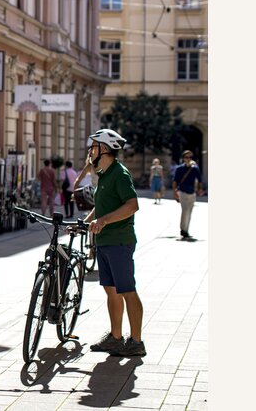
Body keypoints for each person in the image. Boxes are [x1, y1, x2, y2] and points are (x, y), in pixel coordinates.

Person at [83, 129, 145, 357]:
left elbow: (132, 205)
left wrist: (104, 220)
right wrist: (85, 221)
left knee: (127, 290)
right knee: (112, 292)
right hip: (105, 241)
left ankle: (136, 341)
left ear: (105, 149)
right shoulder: (105, 174)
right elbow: (102, 207)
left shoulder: (120, 174)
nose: (90, 151)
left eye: (93, 147)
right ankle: (116, 337)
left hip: (120, 241)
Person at [172, 150, 204, 239]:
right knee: (185, 210)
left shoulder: (195, 169)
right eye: (186, 157)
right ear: (183, 158)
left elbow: (200, 180)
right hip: (182, 192)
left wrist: (200, 189)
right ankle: (182, 229)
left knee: (189, 213)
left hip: (192, 193)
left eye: (190, 157)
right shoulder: (179, 169)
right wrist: (174, 192)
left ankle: (186, 230)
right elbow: (175, 181)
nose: (188, 159)